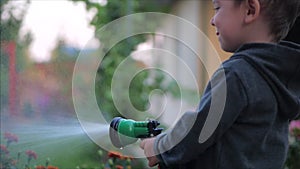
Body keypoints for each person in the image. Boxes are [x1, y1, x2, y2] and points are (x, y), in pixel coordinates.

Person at [140, 0, 300, 168]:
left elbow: (200, 128)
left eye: (217, 8)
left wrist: (159, 146)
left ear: (250, 10)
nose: (212, 20)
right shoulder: (281, 76)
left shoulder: (236, 74)